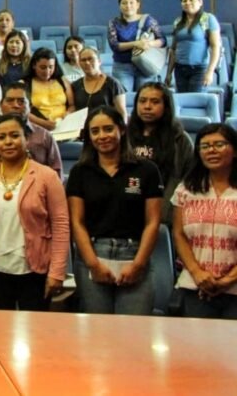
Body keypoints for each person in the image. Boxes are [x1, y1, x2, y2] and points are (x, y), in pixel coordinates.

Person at [0, 114, 70, 310]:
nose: (8, 142)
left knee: (35, 333)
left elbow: (61, 226)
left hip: (35, 271)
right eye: (1, 138)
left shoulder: (47, 176)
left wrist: (57, 272)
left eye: (14, 136)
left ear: (26, 139)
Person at [66, 106, 162, 315]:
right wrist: (93, 264)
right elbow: (77, 222)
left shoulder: (146, 170)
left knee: (132, 332)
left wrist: (138, 264)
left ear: (122, 129)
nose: (102, 136)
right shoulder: (80, 172)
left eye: (108, 129)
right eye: (95, 131)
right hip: (93, 256)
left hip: (135, 255)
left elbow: (153, 222)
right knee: (97, 333)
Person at [171, 124, 237, 318]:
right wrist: (197, 273)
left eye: (219, 144)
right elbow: (179, 234)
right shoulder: (186, 189)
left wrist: (230, 279)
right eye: (205, 146)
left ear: (235, 151)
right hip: (195, 285)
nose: (212, 150)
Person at [127, 82, 195, 223]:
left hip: (165, 211)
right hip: (128, 207)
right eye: (142, 101)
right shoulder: (124, 136)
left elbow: (187, 181)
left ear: (166, 106)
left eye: (155, 102)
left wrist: (163, 213)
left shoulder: (180, 140)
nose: (147, 106)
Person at [0, 82, 62, 174]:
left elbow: (56, 173)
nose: (15, 105)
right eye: (10, 101)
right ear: (1, 106)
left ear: (30, 107)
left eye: (21, 101)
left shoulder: (44, 136)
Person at [109, 0, 167, 93]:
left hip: (145, 65)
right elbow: (114, 45)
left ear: (138, 5)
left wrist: (149, 44)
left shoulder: (148, 20)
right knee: (124, 99)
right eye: (124, 3)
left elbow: (163, 40)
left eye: (132, 2)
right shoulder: (114, 22)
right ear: (120, 6)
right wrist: (136, 43)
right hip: (122, 67)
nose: (128, 5)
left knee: (144, 98)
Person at [166, 0, 222, 93]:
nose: (187, 3)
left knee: (195, 100)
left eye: (191, 0)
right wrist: (168, 73)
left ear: (200, 2)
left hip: (199, 69)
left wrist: (210, 71)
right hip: (180, 69)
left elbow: (215, 47)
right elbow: (173, 49)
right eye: (184, 0)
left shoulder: (208, 19)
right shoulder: (178, 21)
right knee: (182, 101)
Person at [25, 48, 75, 131]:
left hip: (63, 126)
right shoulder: (25, 84)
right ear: (34, 65)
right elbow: (22, 111)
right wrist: (43, 123)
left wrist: (68, 114)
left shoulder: (63, 81)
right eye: (43, 67)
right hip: (37, 128)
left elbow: (72, 105)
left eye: (51, 67)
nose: (47, 71)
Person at [71, 47, 127, 120]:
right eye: (83, 60)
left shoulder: (113, 83)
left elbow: (121, 112)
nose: (87, 63)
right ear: (79, 64)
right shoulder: (75, 85)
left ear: (99, 61)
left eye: (90, 59)